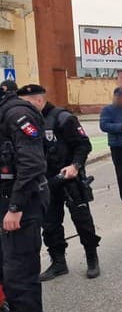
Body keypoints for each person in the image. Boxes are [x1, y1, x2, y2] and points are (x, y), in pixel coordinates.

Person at [18, 84, 101, 281]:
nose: (23, 108)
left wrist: (75, 165)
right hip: (46, 182)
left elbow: (83, 145)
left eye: (27, 103)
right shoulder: (27, 122)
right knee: (50, 225)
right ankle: (58, 263)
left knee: (83, 222)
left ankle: (92, 258)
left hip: (70, 179)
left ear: (39, 100)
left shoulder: (63, 118)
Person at [0, 84, 49, 312]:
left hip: (22, 205)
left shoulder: (17, 114)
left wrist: (16, 207)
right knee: (8, 273)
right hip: (7, 202)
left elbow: (32, 165)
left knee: (19, 276)